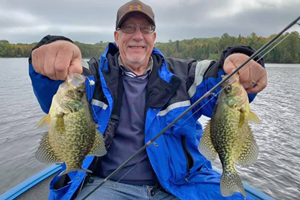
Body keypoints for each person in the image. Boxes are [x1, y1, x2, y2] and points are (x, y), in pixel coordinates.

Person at [29, 0, 267, 199]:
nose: (138, 36)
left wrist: (241, 58)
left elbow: (220, 77)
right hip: (104, 184)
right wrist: (50, 51)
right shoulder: (90, 77)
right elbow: (56, 87)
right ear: (116, 36)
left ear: (154, 37)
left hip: (182, 183)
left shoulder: (186, 75)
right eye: (129, 29)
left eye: (145, 29)